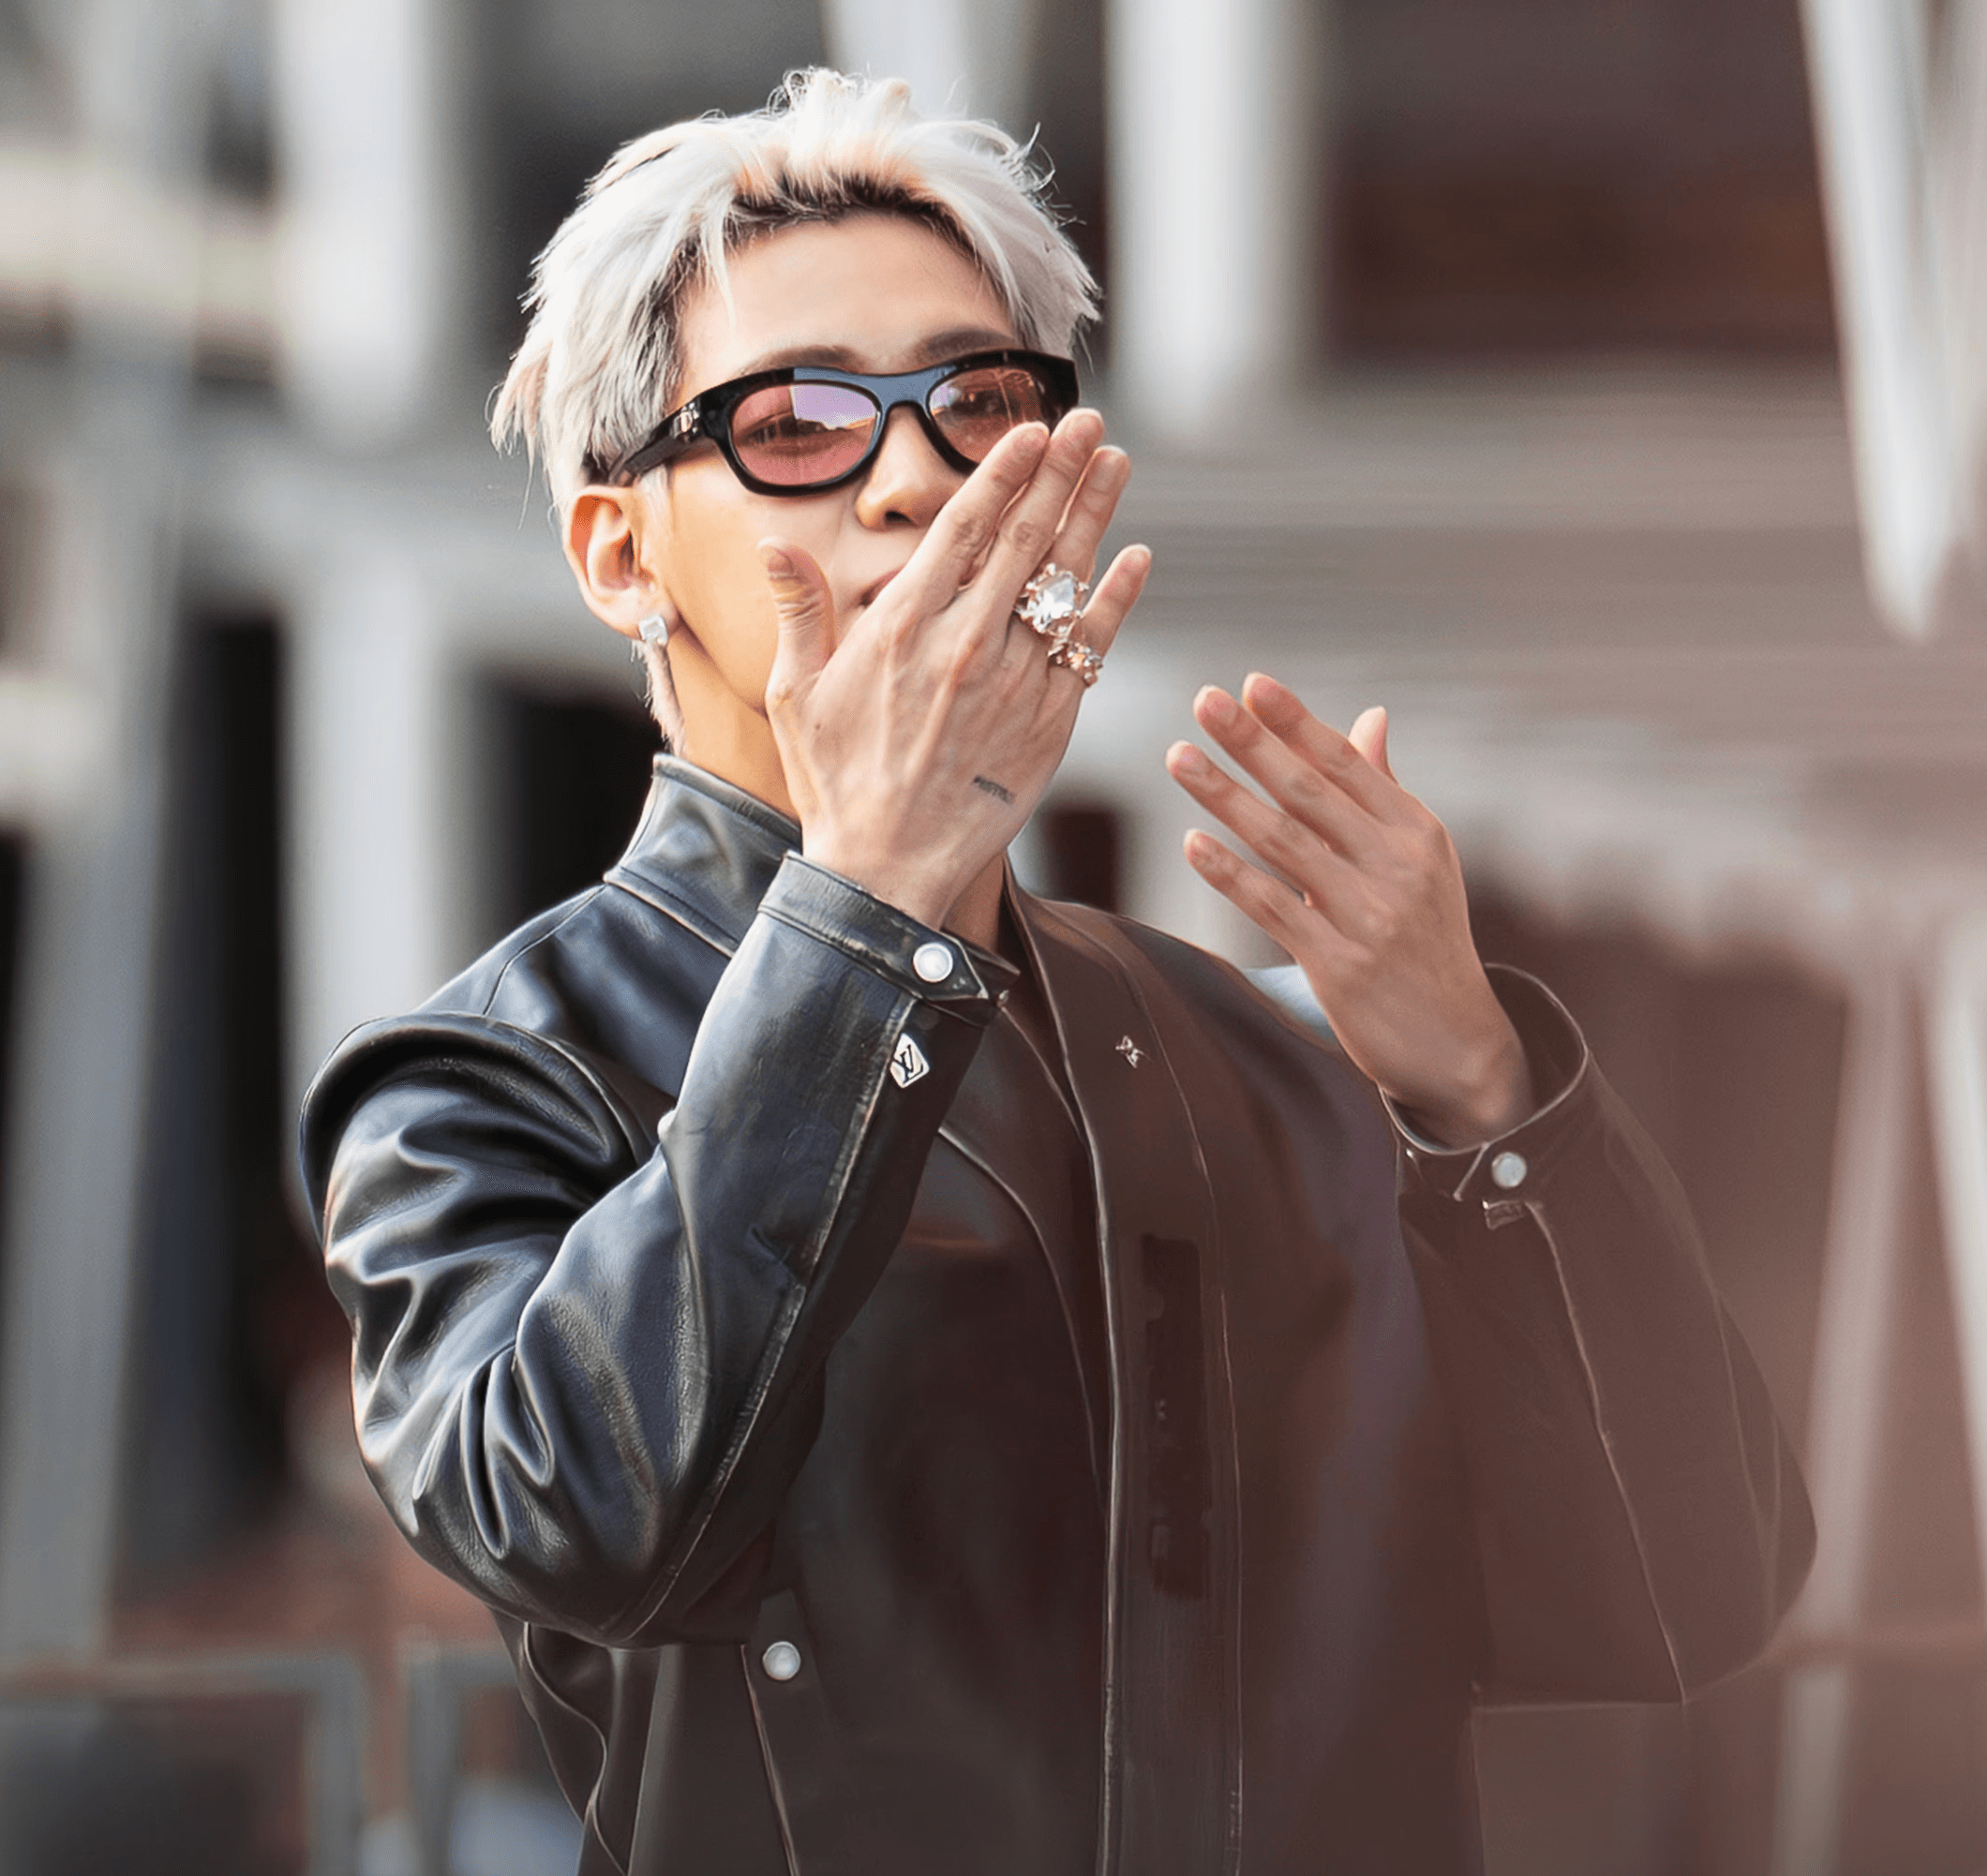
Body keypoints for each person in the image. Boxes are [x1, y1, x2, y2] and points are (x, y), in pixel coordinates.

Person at [300, 68, 1813, 1876]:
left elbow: (1680, 1588)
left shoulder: (1253, 1054)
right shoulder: (486, 1078)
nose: (919, 476)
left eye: (978, 401)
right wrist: (864, 907)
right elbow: (578, 1508)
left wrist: (1485, 1096)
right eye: (797, 422)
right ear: (621, 552)